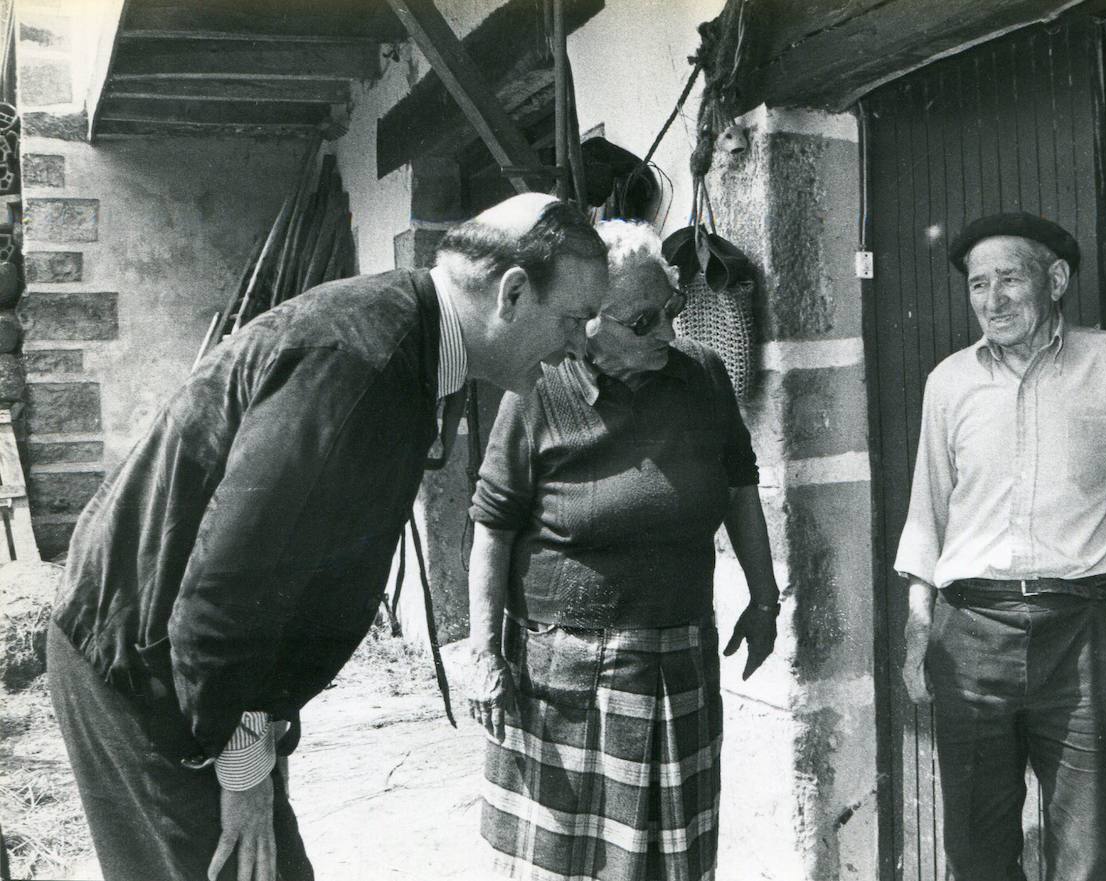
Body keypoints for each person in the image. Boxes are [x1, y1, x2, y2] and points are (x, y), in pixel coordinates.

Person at [46, 193, 609, 881]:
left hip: (199, 671)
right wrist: (247, 770)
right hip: (144, 666)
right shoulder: (362, 362)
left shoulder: (411, 339)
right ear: (512, 293)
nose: (582, 343)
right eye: (575, 319)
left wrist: (259, 732)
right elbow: (225, 594)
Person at [894, 212, 1106, 881]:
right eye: (978, 284)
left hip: (1084, 631)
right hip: (969, 634)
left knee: (1089, 851)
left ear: (1054, 280)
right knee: (975, 849)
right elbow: (927, 515)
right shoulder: (949, 383)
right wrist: (918, 631)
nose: (992, 299)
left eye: (1009, 279)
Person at [452, 219, 780, 881]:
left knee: (673, 862)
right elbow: (492, 524)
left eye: (672, 309)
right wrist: (484, 654)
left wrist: (764, 596)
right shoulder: (538, 388)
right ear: (589, 325)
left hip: (677, 658)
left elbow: (741, 481)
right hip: (562, 673)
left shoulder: (703, 376)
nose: (666, 332)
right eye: (643, 321)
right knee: (564, 866)